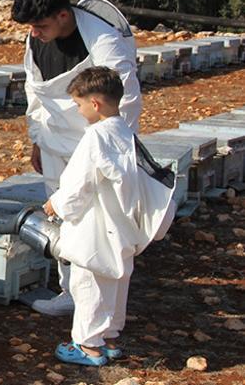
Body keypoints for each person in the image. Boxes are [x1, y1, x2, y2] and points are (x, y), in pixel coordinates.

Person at [11, 0, 142, 316]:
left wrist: (113, 161)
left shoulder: (104, 41)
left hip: (97, 146)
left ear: (63, 16)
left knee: (98, 222)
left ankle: (101, 301)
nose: (34, 33)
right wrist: (37, 138)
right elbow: (34, 90)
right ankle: (70, 291)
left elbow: (124, 103)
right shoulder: (34, 39)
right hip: (54, 140)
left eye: (40, 25)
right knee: (64, 220)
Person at [43, 66, 175, 366]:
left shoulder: (96, 137)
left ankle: (87, 346)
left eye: (78, 104)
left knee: (88, 283)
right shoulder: (124, 132)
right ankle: (111, 338)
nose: (78, 111)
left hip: (96, 227)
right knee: (117, 281)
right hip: (122, 225)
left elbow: (79, 184)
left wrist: (56, 204)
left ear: (95, 103)